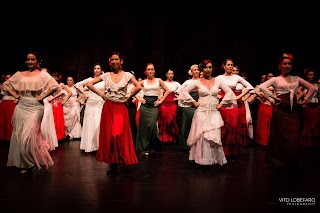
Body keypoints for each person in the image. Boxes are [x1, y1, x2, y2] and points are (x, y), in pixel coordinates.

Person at [2, 51, 61, 174]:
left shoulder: (42, 75)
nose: (30, 62)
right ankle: (27, 163)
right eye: (28, 59)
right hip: (21, 106)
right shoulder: (20, 74)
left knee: (29, 135)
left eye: (33, 59)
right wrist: (15, 95)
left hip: (35, 107)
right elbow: (6, 85)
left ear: (37, 61)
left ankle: (33, 159)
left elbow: (55, 86)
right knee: (21, 136)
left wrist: (43, 95)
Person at [257, 53, 317, 174]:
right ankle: (279, 162)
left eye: (289, 63)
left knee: (293, 137)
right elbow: (261, 87)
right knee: (280, 136)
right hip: (280, 110)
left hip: (294, 112)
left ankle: (291, 161)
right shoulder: (275, 79)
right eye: (284, 63)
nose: (287, 65)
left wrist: (304, 100)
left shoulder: (297, 78)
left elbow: (313, 88)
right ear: (279, 66)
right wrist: (272, 97)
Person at [86, 51, 141, 175]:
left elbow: (138, 86)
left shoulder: (127, 75)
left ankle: (120, 158)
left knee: (118, 134)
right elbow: (89, 84)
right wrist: (102, 95)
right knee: (110, 136)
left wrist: (128, 97)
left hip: (121, 107)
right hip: (109, 107)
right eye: (112, 60)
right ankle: (113, 163)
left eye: (117, 59)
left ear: (121, 61)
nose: (114, 62)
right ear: (110, 62)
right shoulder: (106, 75)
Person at [178, 59, 237, 165]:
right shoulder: (197, 82)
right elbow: (183, 92)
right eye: (205, 67)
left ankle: (212, 160)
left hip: (214, 112)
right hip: (201, 112)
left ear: (212, 68)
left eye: (210, 67)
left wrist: (222, 103)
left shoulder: (218, 81)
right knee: (202, 137)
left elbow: (229, 92)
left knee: (213, 135)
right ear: (202, 69)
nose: (208, 69)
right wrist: (194, 102)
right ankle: (202, 160)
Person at [215, 59, 254, 157]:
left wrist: (239, 97)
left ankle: (231, 151)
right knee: (223, 126)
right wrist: (219, 97)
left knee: (233, 125)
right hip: (224, 104)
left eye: (231, 65)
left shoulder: (236, 77)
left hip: (233, 104)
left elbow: (250, 87)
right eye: (228, 65)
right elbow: (212, 89)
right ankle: (221, 150)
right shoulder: (219, 78)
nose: (230, 67)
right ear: (224, 66)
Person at [135, 63, 170, 156]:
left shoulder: (159, 80)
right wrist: (139, 98)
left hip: (154, 105)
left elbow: (167, 90)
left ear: (154, 71)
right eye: (148, 70)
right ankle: (146, 147)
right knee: (144, 126)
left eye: (152, 69)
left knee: (151, 125)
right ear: (146, 71)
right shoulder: (143, 82)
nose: (150, 71)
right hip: (145, 105)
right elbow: (132, 90)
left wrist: (161, 100)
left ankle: (152, 145)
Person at [75, 63, 105, 152]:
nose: (96, 70)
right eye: (95, 68)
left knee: (98, 124)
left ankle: (99, 145)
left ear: (101, 70)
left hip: (100, 103)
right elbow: (77, 85)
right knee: (90, 124)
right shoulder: (90, 80)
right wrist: (84, 93)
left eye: (98, 68)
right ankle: (91, 145)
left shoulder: (104, 80)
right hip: (91, 103)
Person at [176, 64, 200, 151]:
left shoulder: (202, 81)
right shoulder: (187, 82)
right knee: (188, 123)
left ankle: (197, 144)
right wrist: (189, 99)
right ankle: (186, 144)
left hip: (200, 103)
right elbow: (178, 91)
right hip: (189, 104)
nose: (196, 71)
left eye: (197, 69)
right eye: (194, 70)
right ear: (191, 72)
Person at [157, 69, 181, 144]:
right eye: (169, 74)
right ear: (166, 75)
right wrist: (160, 98)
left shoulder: (177, 84)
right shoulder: (163, 83)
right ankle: (164, 138)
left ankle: (172, 138)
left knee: (172, 119)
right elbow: (158, 91)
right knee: (164, 119)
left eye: (172, 74)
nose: (170, 75)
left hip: (172, 104)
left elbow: (182, 91)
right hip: (164, 103)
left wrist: (177, 97)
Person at [298, 68, 320, 147]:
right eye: (310, 75)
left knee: (316, 124)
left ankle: (314, 143)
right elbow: (298, 92)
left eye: (313, 75)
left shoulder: (316, 84)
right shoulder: (304, 84)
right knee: (308, 124)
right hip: (308, 105)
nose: (312, 76)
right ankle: (307, 143)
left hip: (316, 105)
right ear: (306, 76)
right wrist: (301, 101)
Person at [63, 76, 82, 140]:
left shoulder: (75, 87)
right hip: (66, 106)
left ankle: (72, 134)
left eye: (71, 80)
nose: (69, 81)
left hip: (74, 105)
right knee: (65, 120)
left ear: (73, 81)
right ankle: (66, 133)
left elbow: (82, 94)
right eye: (68, 80)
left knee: (74, 119)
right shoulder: (65, 87)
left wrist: (79, 99)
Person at [0, 74, 15, 142]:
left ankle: (12, 135)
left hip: (12, 102)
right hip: (4, 103)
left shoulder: (15, 85)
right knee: (4, 119)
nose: (8, 79)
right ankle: (4, 135)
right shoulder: (3, 85)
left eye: (9, 77)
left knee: (11, 119)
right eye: (7, 77)